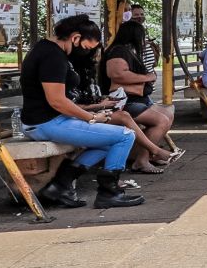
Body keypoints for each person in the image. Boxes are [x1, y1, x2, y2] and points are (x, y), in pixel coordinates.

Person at [17, 14, 144, 209]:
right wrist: (92, 118)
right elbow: (57, 101)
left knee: (107, 143)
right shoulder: (53, 56)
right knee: (125, 136)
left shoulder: (46, 50)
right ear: (75, 38)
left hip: (44, 120)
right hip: (47, 122)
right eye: (86, 48)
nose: (86, 54)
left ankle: (58, 187)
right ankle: (109, 193)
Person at [68, 41, 172, 175]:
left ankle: (75, 178)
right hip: (80, 115)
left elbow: (84, 99)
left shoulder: (87, 72)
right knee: (123, 132)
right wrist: (99, 107)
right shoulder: (73, 76)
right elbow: (70, 105)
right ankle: (152, 152)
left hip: (93, 112)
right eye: (96, 54)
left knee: (117, 134)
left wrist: (103, 101)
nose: (98, 58)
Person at [102, 19, 179, 159]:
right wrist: (147, 78)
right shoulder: (118, 51)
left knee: (168, 114)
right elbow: (117, 74)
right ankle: (142, 160)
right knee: (160, 120)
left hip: (139, 98)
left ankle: (142, 155)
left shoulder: (127, 50)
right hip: (124, 101)